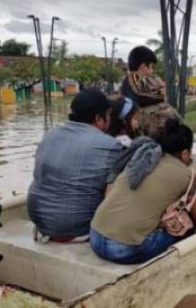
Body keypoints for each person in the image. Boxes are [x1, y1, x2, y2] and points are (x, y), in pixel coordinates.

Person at [90, 118, 196, 264]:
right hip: (123, 250)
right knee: (187, 224)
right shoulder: (186, 175)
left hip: (95, 237)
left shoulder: (141, 158)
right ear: (185, 153)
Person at [27, 88, 124, 242]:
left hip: (40, 224)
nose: (110, 120)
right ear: (99, 118)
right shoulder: (110, 145)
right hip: (76, 229)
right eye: (108, 115)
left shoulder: (51, 134)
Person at [121, 45, 177, 136]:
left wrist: (161, 88)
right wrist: (161, 95)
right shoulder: (132, 77)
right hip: (136, 124)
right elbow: (138, 96)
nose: (152, 71)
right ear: (143, 66)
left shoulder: (144, 79)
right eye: (152, 67)